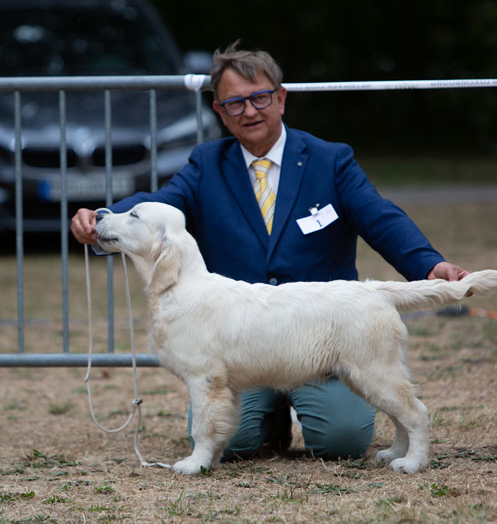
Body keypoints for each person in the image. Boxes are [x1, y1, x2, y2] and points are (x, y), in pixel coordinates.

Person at [71, 41, 469, 462]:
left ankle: (307, 407)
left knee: (342, 441)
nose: (249, 111)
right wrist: (103, 222)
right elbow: (159, 205)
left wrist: (430, 265)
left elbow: (380, 218)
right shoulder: (206, 164)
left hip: (321, 335)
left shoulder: (330, 160)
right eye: (235, 103)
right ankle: (272, 416)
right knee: (235, 445)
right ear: (220, 113)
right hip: (243, 344)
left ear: (280, 98)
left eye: (260, 97)